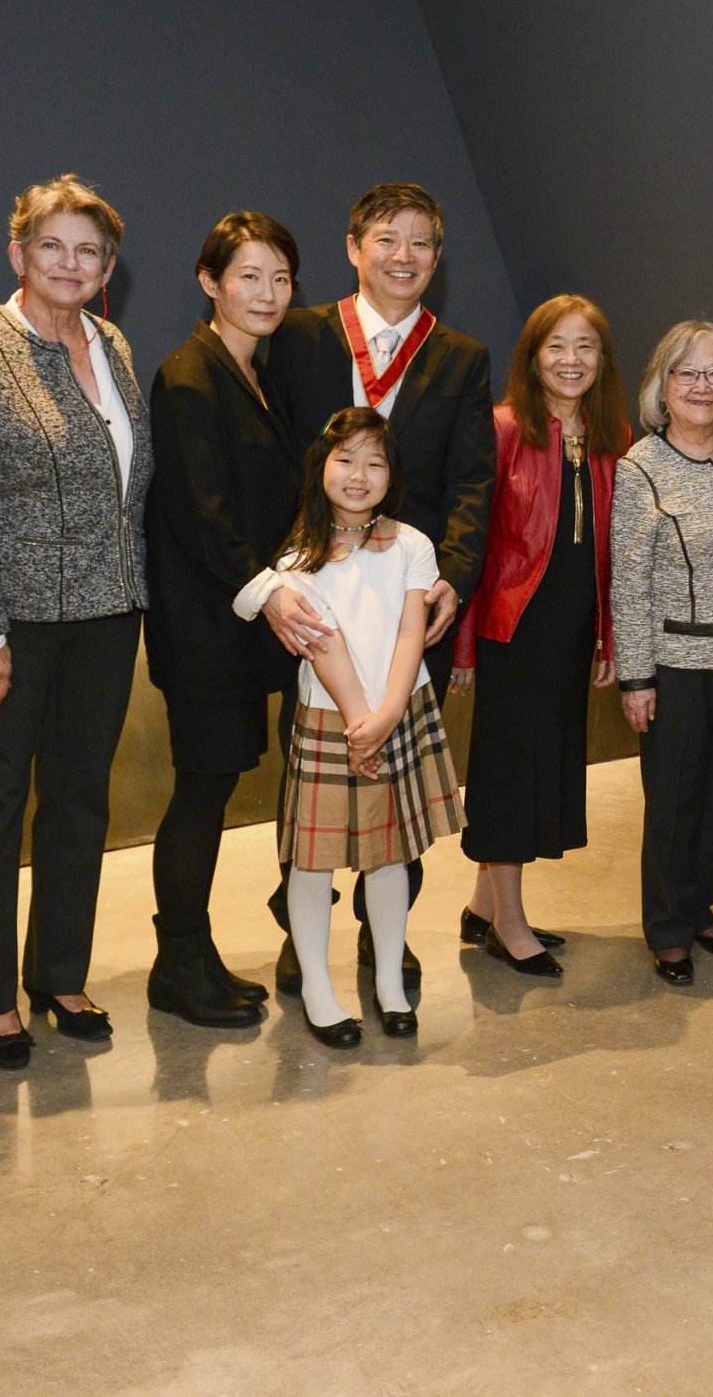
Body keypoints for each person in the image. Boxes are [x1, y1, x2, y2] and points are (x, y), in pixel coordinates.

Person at [0, 175, 152, 1070]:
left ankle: (59, 973)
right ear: (17, 254)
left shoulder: (113, 342)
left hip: (103, 617)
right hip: (0, 628)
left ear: (107, 268)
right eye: (52, 246)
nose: (70, 264)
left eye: (88, 251)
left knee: (81, 803)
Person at [252, 182, 497, 1004]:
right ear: (354, 246)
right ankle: (302, 934)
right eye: (387, 239)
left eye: (423, 242)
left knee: (396, 773)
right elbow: (275, 453)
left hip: (405, 596)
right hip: (315, 590)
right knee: (311, 773)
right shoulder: (302, 336)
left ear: (437, 258)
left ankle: (383, 941)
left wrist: (451, 580)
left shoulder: (459, 356)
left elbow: (472, 479)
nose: (404, 256)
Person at [139, 212, 302, 1027]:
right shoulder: (189, 374)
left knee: (221, 782)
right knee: (201, 792)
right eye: (248, 276)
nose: (266, 293)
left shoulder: (255, 372)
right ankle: (177, 963)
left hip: (244, 623)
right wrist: (271, 589)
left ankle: (196, 956)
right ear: (210, 282)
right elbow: (201, 514)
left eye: (280, 278)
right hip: (209, 625)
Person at [265, 408, 465, 1046]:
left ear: (392, 475)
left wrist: (386, 715)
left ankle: (386, 983)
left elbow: (413, 632)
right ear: (320, 468)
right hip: (332, 720)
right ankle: (319, 993)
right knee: (312, 862)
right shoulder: (298, 555)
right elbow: (322, 645)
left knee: (389, 857)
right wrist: (361, 723)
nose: (359, 475)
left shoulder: (411, 544)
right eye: (345, 459)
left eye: (375, 462)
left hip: (396, 712)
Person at [452, 296, 630, 977]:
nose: (571, 360)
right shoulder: (501, 430)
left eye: (585, 346)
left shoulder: (614, 439)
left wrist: (610, 639)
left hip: (570, 632)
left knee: (542, 766)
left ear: (603, 360)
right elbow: (475, 549)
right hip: (511, 631)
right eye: (556, 346)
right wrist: (465, 645)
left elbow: (616, 554)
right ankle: (510, 924)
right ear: (531, 356)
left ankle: (480, 904)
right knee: (508, 775)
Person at [613, 321, 713, 984]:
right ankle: (668, 929)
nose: (703, 387)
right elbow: (628, 580)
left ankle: (701, 909)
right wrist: (635, 677)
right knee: (672, 804)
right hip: (675, 664)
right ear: (662, 385)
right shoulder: (640, 466)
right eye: (688, 373)